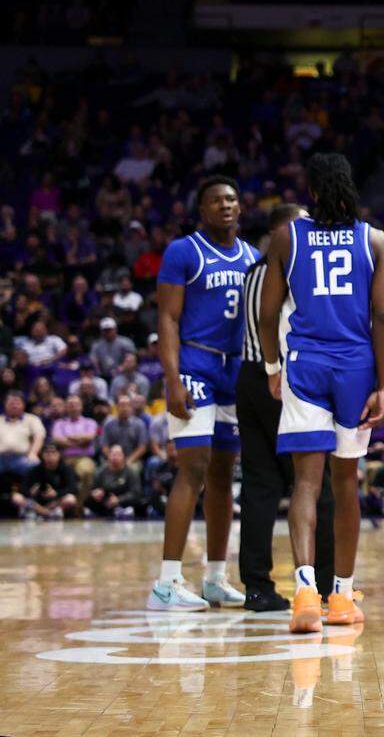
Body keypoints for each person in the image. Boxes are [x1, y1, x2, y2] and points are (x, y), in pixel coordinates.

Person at [259, 152, 384, 634]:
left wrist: (273, 366)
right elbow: (381, 318)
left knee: (306, 485)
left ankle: (303, 594)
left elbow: (267, 313)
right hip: (356, 369)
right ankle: (340, 596)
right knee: (346, 484)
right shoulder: (373, 239)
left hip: (306, 366)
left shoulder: (286, 236)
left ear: (312, 192)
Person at [149, 175, 255, 612]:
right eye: (216, 200)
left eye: (231, 198)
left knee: (222, 477)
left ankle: (214, 578)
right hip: (195, 364)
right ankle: (166, 583)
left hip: (235, 368)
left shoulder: (251, 255)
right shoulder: (183, 251)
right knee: (192, 469)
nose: (225, 205)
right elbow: (168, 319)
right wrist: (171, 379)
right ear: (202, 210)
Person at [237, 204, 339, 612]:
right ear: (281, 230)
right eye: (301, 222)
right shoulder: (290, 269)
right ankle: (327, 585)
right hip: (281, 378)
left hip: (248, 379)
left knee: (261, 487)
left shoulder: (251, 271)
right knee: (315, 486)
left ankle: (257, 586)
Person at [87, 444, 144, 518]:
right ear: (108, 456)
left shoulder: (131, 472)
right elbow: (93, 489)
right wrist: (95, 493)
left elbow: (136, 493)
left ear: (124, 456)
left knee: (139, 503)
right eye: (113, 454)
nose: (115, 457)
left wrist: (119, 499)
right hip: (105, 504)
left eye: (118, 454)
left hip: (125, 505)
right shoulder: (100, 471)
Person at [24, 443, 79, 518]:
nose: (50, 455)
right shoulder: (35, 470)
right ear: (42, 455)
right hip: (38, 502)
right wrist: (31, 492)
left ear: (59, 454)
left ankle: (49, 513)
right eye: (46, 452)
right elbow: (23, 488)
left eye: (53, 452)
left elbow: (73, 488)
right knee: (17, 498)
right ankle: (44, 513)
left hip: (56, 502)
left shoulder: (66, 469)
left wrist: (56, 493)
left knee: (70, 499)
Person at [0, 391, 45, 477]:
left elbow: (39, 436)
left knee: (36, 466)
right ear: (5, 405)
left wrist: (33, 453)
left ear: (23, 405)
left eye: (17, 403)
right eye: (11, 403)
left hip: (21, 458)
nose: (14, 406)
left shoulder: (32, 419)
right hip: (1, 458)